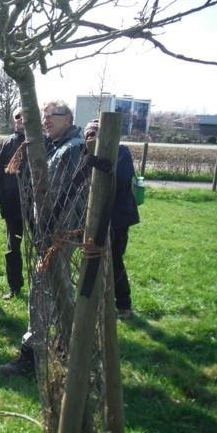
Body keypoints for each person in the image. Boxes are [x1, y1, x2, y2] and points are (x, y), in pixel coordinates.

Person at [0, 100, 85, 376]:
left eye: (52, 116)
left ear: (69, 118)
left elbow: (59, 196)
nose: (46, 120)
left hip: (58, 233)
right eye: (44, 116)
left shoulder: (71, 149)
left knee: (42, 289)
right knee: (56, 287)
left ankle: (34, 353)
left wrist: (49, 233)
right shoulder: (58, 146)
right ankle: (63, 345)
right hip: (55, 232)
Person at [84, 118, 139, 319]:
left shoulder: (121, 151)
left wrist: (98, 163)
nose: (92, 137)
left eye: (95, 133)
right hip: (95, 217)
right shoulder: (86, 152)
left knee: (114, 260)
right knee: (94, 258)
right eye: (88, 134)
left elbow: (121, 177)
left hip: (117, 218)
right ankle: (99, 300)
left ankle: (123, 304)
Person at [0, 108, 27, 300]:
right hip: (12, 208)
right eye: (18, 116)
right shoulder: (6, 144)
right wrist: (1, 198)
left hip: (38, 207)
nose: (22, 120)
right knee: (13, 249)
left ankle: (43, 286)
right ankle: (15, 286)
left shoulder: (43, 143)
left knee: (42, 248)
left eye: (25, 116)